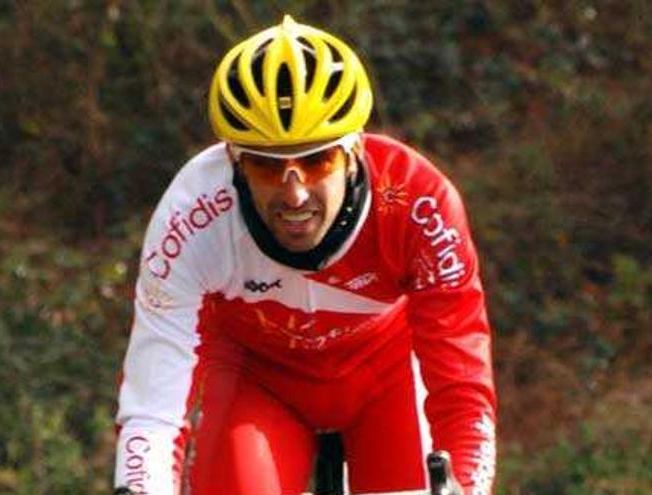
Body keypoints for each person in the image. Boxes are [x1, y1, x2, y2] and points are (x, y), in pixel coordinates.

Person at [114, 15, 497, 495]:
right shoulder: (192, 214)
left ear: (355, 151)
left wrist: (469, 484)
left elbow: (462, 384)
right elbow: (153, 407)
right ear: (233, 161)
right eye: (267, 166)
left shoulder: (418, 202)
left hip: (388, 376)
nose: (294, 195)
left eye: (318, 160)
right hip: (256, 379)